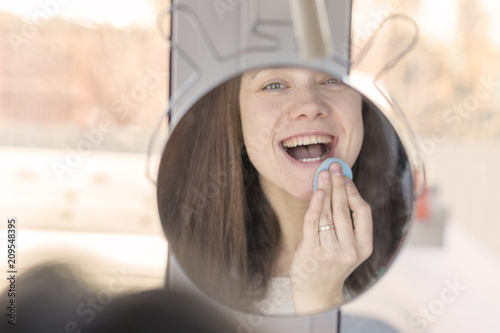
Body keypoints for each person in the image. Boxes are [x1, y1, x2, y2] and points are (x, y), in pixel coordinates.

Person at [157, 66, 412, 316]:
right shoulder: (189, 280)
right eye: (274, 85)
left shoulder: (409, 276)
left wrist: (321, 296)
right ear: (236, 113)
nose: (310, 106)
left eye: (332, 80)